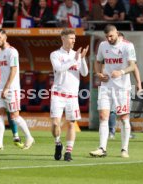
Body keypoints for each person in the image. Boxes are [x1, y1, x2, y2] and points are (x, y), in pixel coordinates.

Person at [90, 24, 136, 158]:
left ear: (116, 33)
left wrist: (121, 72)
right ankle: (102, 148)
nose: (109, 39)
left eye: (111, 36)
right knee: (103, 116)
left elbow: (133, 66)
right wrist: (98, 73)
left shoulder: (128, 45)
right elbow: (98, 61)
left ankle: (124, 149)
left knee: (123, 118)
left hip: (122, 88)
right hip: (106, 86)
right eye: (107, 36)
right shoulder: (103, 45)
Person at [0, 28, 34, 150]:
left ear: (5, 37)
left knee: (14, 116)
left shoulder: (12, 52)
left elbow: (14, 70)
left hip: (11, 89)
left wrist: (6, 88)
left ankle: (29, 137)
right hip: (1, 88)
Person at [50, 29, 89, 161]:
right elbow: (59, 68)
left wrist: (82, 59)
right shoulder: (55, 54)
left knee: (71, 124)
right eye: (71, 38)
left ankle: (68, 152)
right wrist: (74, 59)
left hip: (72, 95)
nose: (74, 41)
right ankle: (58, 143)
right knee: (55, 124)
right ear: (63, 38)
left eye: (74, 38)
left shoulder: (76, 55)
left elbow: (84, 73)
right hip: (58, 93)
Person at [108, 32, 142, 139]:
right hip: (111, 84)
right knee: (113, 109)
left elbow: (134, 67)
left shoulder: (127, 51)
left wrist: (138, 83)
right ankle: (111, 132)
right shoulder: (108, 50)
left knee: (125, 111)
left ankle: (126, 132)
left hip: (124, 86)